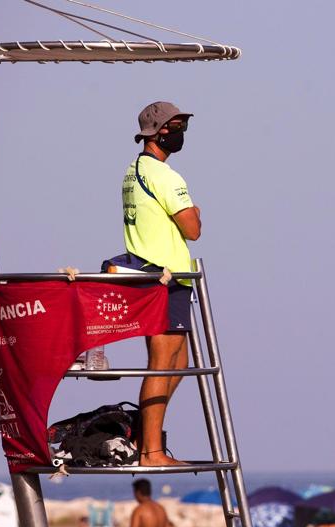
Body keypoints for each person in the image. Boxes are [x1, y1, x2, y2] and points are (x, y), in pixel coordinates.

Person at [122, 101, 202, 466]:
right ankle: (151, 451)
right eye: (176, 125)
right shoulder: (166, 176)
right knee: (162, 363)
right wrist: (196, 211)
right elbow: (193, 228)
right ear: (159, 132)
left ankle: (144, 433)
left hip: (155, 274)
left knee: (179, 361)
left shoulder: (133, 169)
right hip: (164, 277)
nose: (182, 131)